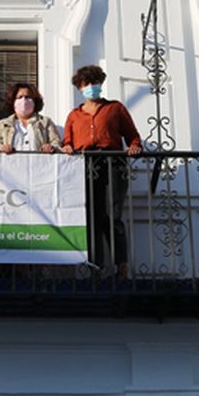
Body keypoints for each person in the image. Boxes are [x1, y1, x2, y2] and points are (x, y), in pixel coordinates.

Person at [61, 65, 143, 276]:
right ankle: (96, 265)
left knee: (112, 214)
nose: (91, 87)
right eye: (86, 84)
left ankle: (121, 265)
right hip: (86, 166)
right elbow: (67, 141)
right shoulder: (74, 115)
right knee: (91, 216)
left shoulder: (115, 108)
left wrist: (135, 147)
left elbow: (132, 136)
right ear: (80, 88)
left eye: (94, 83)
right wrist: (68, 147)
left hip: (113, 164)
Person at [0, 82, 61, 154]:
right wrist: (1, 148)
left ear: (34, 101)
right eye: (20, 97)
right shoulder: (3, 124)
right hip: (11, 164)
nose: (24, 100)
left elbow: (56, 142)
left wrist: (51, 147)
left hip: (39, 164)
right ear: (13, 101)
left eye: (28, 97)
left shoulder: (45, 122)